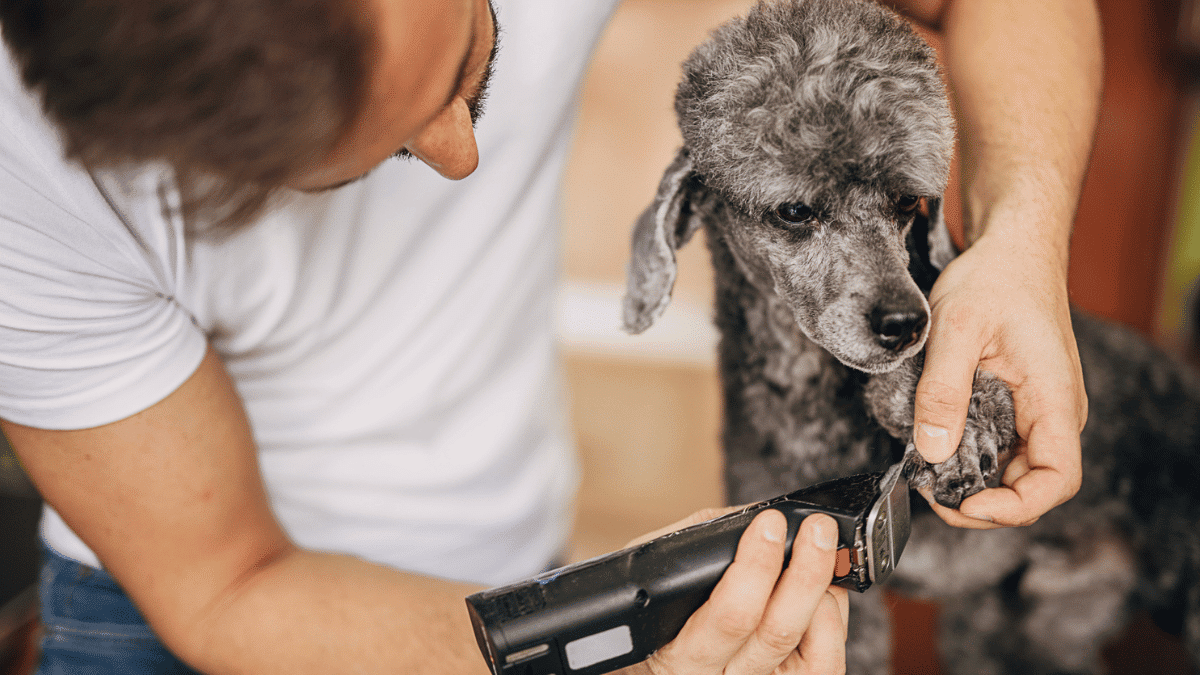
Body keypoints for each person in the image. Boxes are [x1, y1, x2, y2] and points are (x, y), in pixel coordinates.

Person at [0, 1, 1100, 675]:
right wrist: (589, 653)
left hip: (517, 564)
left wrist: (1022, 234)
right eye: (370, 156)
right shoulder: (24, 169)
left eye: (466, 60)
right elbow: (224, 589)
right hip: (164, 617)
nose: (458, 155)